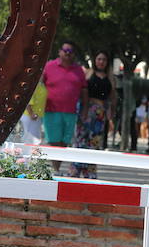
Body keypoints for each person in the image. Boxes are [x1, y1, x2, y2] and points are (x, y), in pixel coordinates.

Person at [71, 51, 116, 178]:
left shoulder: (110, 78)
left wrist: (110, 115)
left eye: (104, 60)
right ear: (95, 60)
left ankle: (90, 172)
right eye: (99, 59)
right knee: (80, 141)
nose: (101, 62)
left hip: (100, 114)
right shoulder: (88, 74)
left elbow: (112, 99)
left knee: (94, 143)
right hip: (86, 110)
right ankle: (75, 170)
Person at [42, 41, 86, 172]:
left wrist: (85, 109)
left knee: (64, 142)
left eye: (70, 51)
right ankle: (56, 169)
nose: (68, 53)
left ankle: (57, 168)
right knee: (54, 142)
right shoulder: (49, 66)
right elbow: (38, 86)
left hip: (71, 112)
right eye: (65, 50)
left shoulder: (79, 70)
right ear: (59, 51)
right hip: (51, 110)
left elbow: (84, 91)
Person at [19, 74, 47, 145]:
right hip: (30, 116)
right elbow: (28, 101)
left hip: (35, 116)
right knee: (30, 141)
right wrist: (31, 114)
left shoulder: (40, 84)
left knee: (34, 140)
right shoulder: (33, 85)